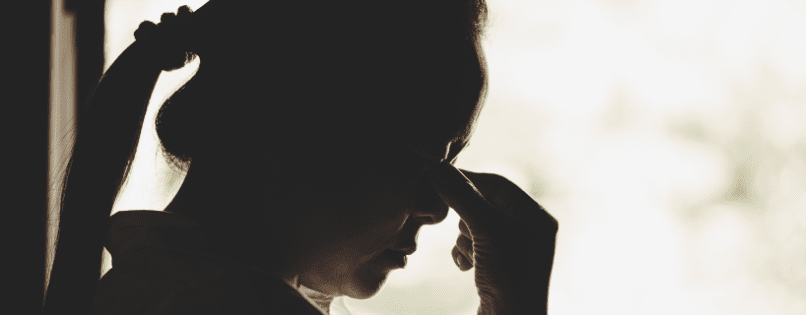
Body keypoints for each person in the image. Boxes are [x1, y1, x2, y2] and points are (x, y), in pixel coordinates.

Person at [41, 0, 558, 314]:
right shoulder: (232, 307)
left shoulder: (171, 289)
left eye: (451, 162)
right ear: (281, 119)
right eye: (423, 156)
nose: (440, 207)